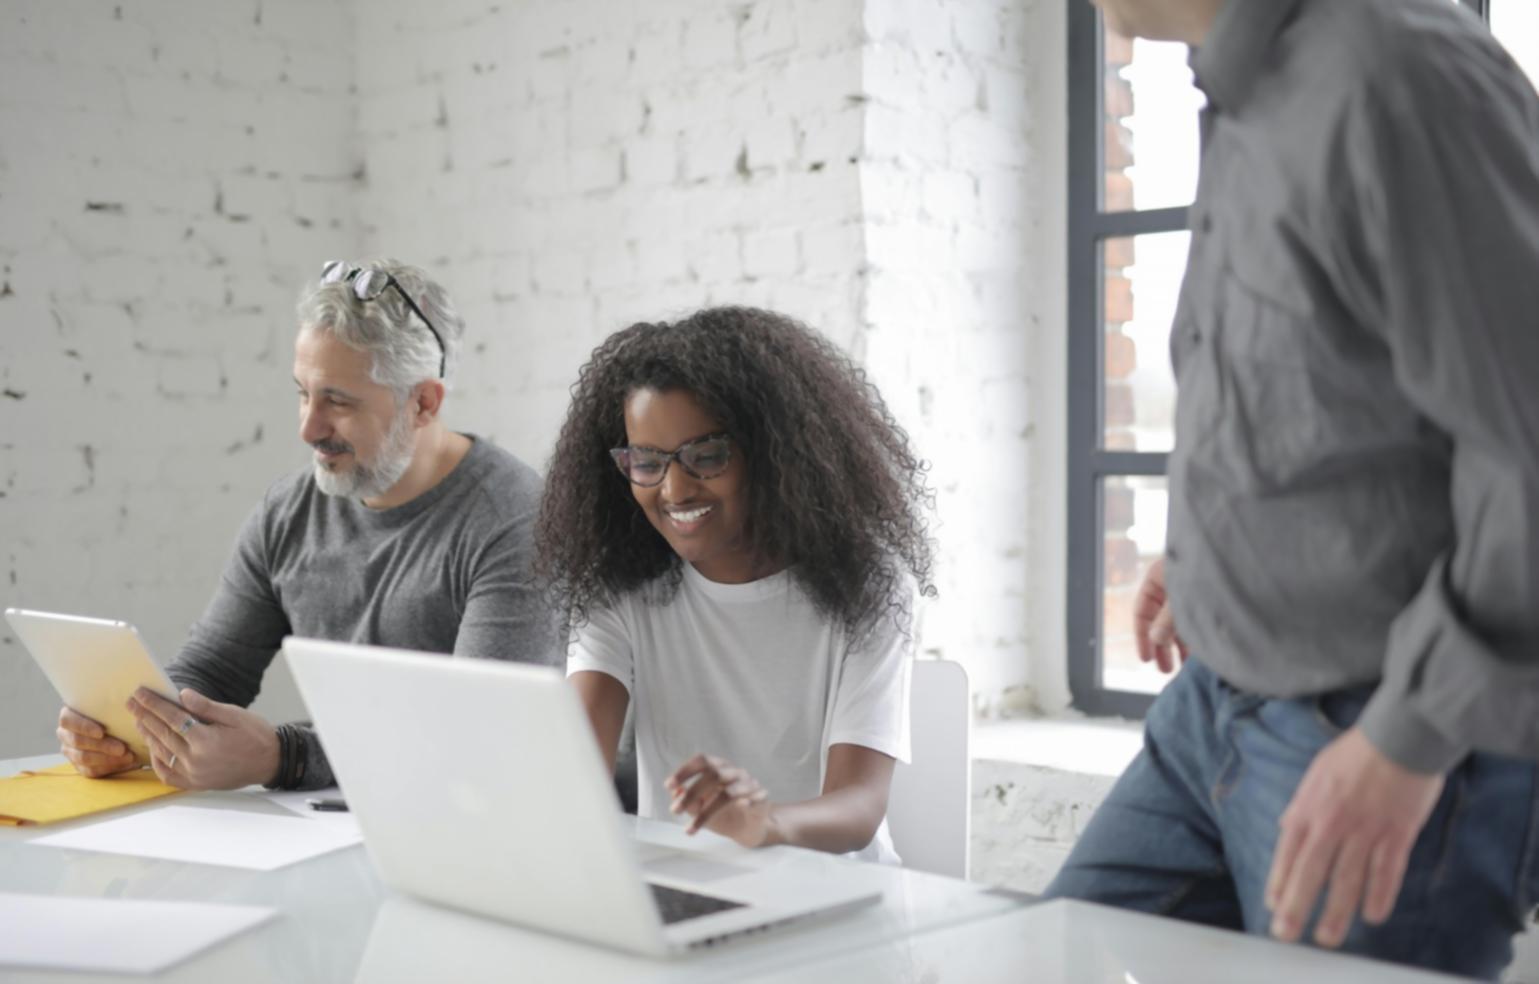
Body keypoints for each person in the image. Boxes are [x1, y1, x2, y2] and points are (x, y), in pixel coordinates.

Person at [1047, 0, 1539, 978]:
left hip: (1382, 729)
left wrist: (1409, 740)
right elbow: (1333, 393)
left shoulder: (1394, 78)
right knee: (1040, 961)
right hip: (1210, 710)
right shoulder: (1252, 88)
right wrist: (1215, 551)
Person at [54, 259, 561, 791]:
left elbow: (477, 738)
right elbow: (211, 672)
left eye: (337, 402)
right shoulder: (288, 513)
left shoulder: (516, 521)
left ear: (423, 402)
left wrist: (286, 757)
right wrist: (131, 733)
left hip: (475, 830)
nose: (308, 428)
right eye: (303, 393)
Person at [536, 307, 934, 859]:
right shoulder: (619, 589)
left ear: (776, 455)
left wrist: (764, 822)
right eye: (647, 462)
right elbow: (575, 773)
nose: (675, 489)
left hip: (841, 896)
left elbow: (860, 808)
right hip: (689, 894)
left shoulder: (868, 584)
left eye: (706, 456)